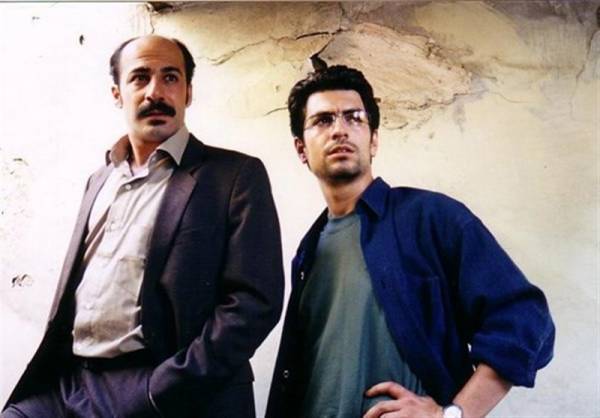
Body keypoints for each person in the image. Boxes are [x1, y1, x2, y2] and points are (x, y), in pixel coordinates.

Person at [2, 35, 284, 418]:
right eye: (140, 77)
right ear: (117, 93)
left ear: (188, 92)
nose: (156, 92)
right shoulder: (100, 179)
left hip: (153, 384)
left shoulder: (233, 176)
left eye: (170, 77)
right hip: (69, 383)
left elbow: (254, 302)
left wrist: (161, 389)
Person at [266, 65, 554, 418]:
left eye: (354, 118)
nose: (340, 129)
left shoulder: (430, 218)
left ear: (373, 140)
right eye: (323, 120)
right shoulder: (309, 252)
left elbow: (525, 319)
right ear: (301, 148)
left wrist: (451, 415)